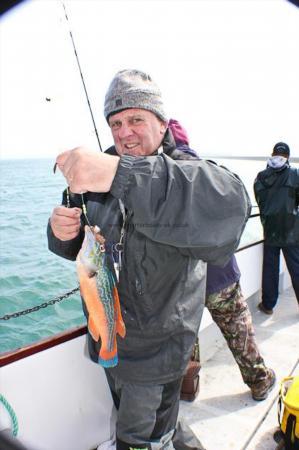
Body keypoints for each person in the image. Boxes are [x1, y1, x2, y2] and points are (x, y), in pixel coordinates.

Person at [48, 69, 251, 450]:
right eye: (116, 123)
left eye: (136, 119)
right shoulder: (100, 173)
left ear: (161, 123)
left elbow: (230, 208)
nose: (124, 132)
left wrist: (121, 174)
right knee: (160, 423)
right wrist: (63, 233)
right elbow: (84, 251)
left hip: (158, 353)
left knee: (137, 438)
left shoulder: (183, 171)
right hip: (111, 337)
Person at [168, 119, 276, 401]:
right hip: (220, 275)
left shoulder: (157, 180)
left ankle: (188, 390)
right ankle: (260, 381)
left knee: (186, 341)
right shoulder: (210, 174)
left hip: (181, 283)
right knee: (239, 333)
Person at [254, 142, 299, 315]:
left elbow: (260, 200)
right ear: (288, 156)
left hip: (271, 230)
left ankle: (268, 305)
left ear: (273, 154)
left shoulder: (261, 176)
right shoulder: (295, 174)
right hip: (292, 231)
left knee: (270, 268)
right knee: (296, 269)